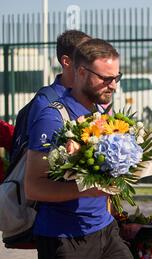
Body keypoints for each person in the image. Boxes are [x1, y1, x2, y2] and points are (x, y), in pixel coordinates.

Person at [24, 38, 148, 259]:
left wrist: (121, 217)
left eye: (117, 77)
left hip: (104, 230)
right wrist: (84, 189)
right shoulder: (52, 116)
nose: (113, 85)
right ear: (81, 72)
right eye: (106, 78)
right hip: (65, 240)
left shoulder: (102, 113)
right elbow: (34, 187)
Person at [9, 30, 92, 162]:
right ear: (66, 62)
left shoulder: (91, 98)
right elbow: (38, 163)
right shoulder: (44, 103)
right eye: (86, 56)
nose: (92, 61)